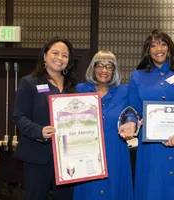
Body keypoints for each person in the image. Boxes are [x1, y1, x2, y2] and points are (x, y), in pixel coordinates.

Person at [120, 29, 174, 200]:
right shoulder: (137, 76)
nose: (159, 48)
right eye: (153, 45)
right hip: (152, 145)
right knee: (153, 189)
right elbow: (133, 109)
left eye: (163, 44)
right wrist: (130, 122)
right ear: (148, 50)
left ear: (169, 47)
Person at [13, 37, 77, 200]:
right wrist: (39, 131)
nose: (59, 58)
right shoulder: (29, 83)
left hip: (67, 157)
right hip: (37, 155)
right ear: (45, 56)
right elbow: (19, 117)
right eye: (55, 53)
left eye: (65, 55)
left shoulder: (73, 86)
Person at [73, 50, 134, 200]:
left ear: (114, 70)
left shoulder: (124, 91)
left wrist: (131, 123)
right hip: (86, 151)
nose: (104, 70)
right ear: (93, 68)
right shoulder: (80, 89)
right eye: (99, 65)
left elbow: (132, 112)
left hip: (115, 151)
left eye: (109, 66)